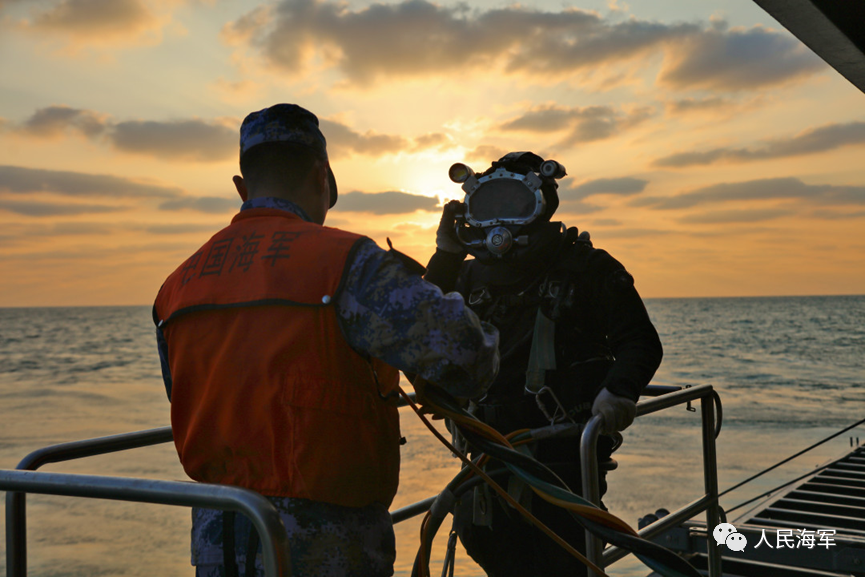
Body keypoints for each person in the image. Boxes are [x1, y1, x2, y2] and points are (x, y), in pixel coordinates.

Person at [152, 104, 500, 577]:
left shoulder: (177, 287)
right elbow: (469, 358)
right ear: (322, 176)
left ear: (241, 187)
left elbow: (185, 396)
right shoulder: (346, 262)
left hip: (219, 539)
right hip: (329, 543)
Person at [423, 151, 663, 576]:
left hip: (563, 460)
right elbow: (418, 327)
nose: (501, 220)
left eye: (513, 204)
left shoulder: (586, 268)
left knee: (564, 561)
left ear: (541, 205)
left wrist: (618, 392)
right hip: (487, 458)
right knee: (497, 556)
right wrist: (445, 254)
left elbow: (640, 342)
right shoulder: (468, 277)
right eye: (489, 204)